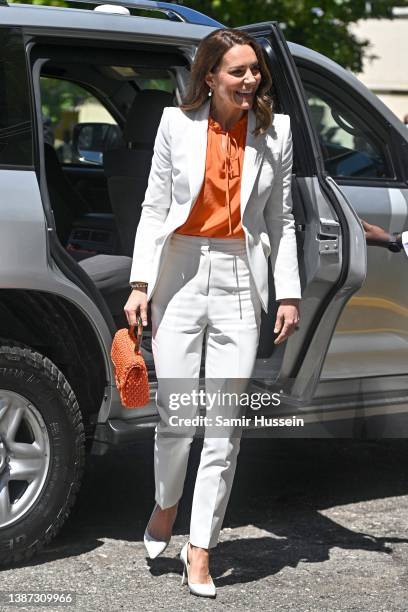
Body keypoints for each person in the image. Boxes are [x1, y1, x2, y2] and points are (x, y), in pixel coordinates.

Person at [124, 28, 301, 598]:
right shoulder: (177, 125)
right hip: (179, 271)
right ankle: (166, 503)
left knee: (223, 427)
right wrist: (139, 283)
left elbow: (283, 219)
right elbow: (155, 209)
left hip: (240, 276)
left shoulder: (278, 132)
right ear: (210, 77)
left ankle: (201, 546)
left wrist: (289, 292)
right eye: (239, 71)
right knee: (176, 418)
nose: (251, 80)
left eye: (256, 71)